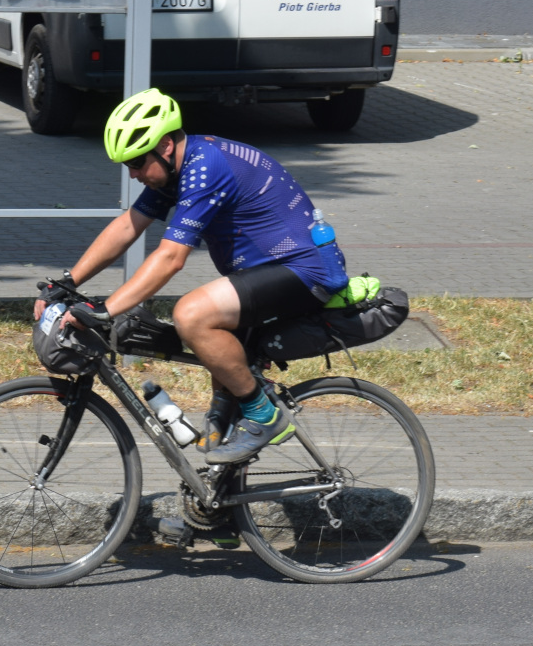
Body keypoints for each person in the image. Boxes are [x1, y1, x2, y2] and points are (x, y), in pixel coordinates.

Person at [40, 88, 350, 464]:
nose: (134, 173)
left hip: (304, 271)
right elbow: (127, 227)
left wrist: (107, 309)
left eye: (138, 162)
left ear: (166, 145)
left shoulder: (207, 168)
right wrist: (67, 282)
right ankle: (213, 499)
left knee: (192, 315)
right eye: (128, 166)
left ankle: (264, 417)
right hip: (264, 272)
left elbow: (171, 258)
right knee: (212, 353)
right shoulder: (174, 171)